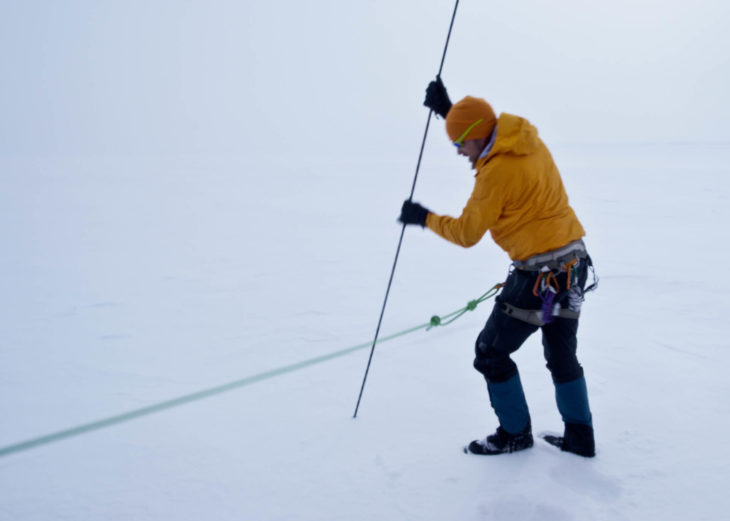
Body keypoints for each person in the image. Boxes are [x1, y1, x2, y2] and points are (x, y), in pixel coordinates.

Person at [399, 77, 596, 457]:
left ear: (475, 135)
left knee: (490, 351)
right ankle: (580, 437)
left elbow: (467, 233)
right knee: (560, 355)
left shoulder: (495, 173)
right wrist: (451, 113)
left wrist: (423, 217)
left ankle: (514, 435)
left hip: (541, 283)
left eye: (458, 143)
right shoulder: (526, 140)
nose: (458, 151)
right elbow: (487, 145)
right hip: (571, 268)